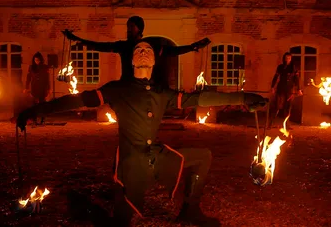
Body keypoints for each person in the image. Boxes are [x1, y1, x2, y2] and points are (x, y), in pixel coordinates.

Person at [17, 40, 266, 226]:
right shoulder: (118, 89)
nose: (143, 51)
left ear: (155, 61)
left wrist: (243, 97)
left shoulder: (161, 93)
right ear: (133, 61)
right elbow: (76, 101)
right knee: (121, 222)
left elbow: (200, 98)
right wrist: (36, 110)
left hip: (157, 156)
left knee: (203, 156)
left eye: (147, 50)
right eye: (138, 50)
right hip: (131, 163)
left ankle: (190, 210)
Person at [62, 15, 211, 87]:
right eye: (127, 27)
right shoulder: (124, 46)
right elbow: (102, 46)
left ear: (139, 29)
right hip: (127, 84)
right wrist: (78, 40)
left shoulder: (149, 46)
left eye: (131, 27)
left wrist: (192, 47)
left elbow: (172, 51)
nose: (128, 30)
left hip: (145, 85)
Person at [270, 52, 302, 127]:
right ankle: (271, 123)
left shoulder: (294, 68)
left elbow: (297, 79)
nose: (287, 60)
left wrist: (299, 89)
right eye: (286, 58)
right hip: (281, 88)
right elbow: (275, 77)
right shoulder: (280, 67)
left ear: (291, 59)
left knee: (287, 107)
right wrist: (272, 87)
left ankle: (286, 124)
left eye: (289, 58)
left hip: (289, 90)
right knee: (277, 106)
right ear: (284, 59)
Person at [24, 52, 51, 124]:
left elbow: (47, 79)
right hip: (34, 87)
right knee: (34, 104)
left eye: (38, 60)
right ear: (34, 60)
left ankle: (43, 119)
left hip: (42, 87)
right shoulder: (31, 67)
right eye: (36, 60)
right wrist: (26, 87)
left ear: (41, 60)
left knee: (42, 104)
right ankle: (34, 119)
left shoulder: (45, 67)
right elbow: (28, 78)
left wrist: (49, 89)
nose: (37, 62)